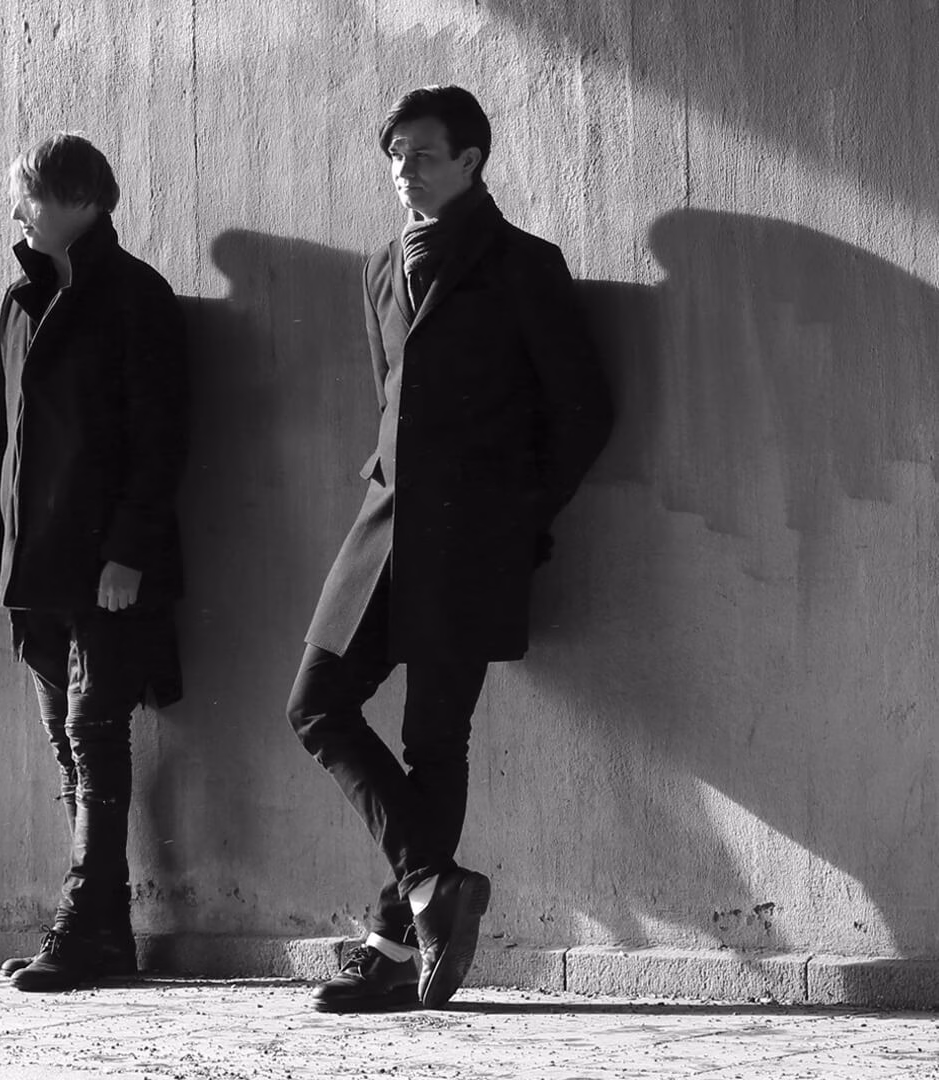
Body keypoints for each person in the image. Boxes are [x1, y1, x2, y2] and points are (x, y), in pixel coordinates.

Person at [288, 86, 612, 1011]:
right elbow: (389, 394)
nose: (403, 170)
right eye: (394, 155)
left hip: (472, 537)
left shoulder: (523, 266)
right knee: (315, 704)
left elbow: (584, 411)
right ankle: (433, 884)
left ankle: (394, 946)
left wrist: (517, 516)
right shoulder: (381, 267)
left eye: (422, 154)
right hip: (383, 531)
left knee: (435, 736)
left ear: (472, 160)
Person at [0, 133, 188, 993]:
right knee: (70, 747)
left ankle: (84, 928)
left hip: (105, 569)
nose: (15, 212)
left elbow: (160, 441)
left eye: (27, 196)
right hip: (36, 570)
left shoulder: (136, 298)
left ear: (79, 200)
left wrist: (129, 552)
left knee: (95, 739)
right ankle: (102, 933)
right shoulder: (21, 300)